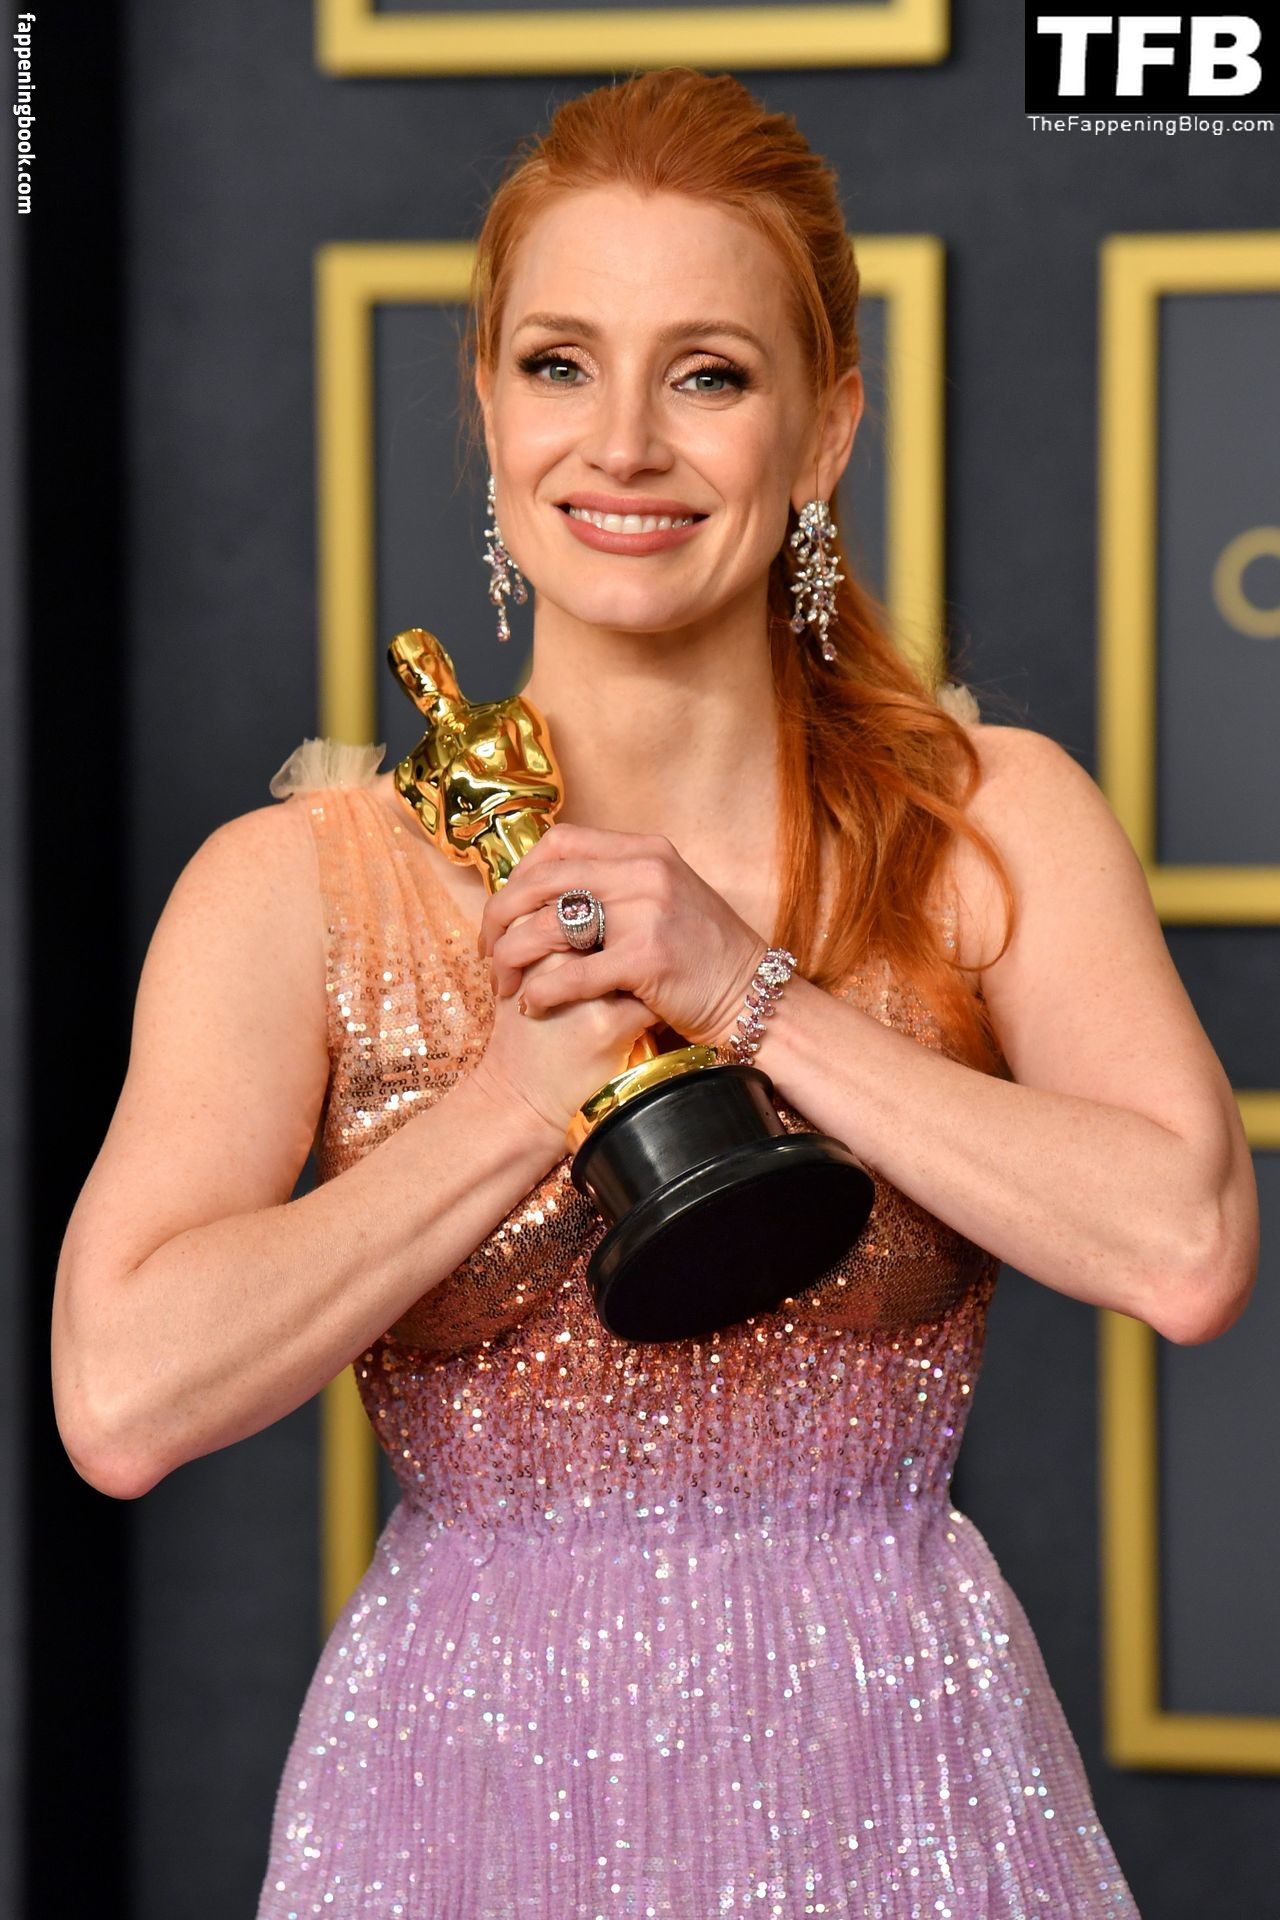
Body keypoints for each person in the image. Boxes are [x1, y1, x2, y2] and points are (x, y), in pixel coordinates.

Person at [51, 67, 1257, 1919]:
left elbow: (1187, 1246)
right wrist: (510, 1104)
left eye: (708, 375)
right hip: (457, 1808)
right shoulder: (298, 884)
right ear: (487, 403)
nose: (621, 444)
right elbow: (121, 1398)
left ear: (826, 429)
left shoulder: (983, 823)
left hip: (903, 1787)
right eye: (559, 364)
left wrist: (751, 993)